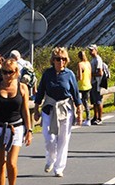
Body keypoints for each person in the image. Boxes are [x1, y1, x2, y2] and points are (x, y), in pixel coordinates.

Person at [33, 47, 82, 177]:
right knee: (49, 139)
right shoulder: (47, 74)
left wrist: (79, 111)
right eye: (58, 59)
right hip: (49, 108)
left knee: (63, 139)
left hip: (65, 109)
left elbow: (76, 94)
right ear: (53, 60)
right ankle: (50, 159)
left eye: (63, 59)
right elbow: (40, 91)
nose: (61, 62)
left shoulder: (69, 74)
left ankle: (59, 168)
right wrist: (36, 109)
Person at [88, 44, 104, 125]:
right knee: (94, 101)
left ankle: (100, 118)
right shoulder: (93, 59)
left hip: (97, 83)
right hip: (93, 83)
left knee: (98, 101)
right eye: (89, 50)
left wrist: (91, 74)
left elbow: (100, 72)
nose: (90, 52)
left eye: (91, 50)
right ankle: (95, 116)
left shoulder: (98, 59)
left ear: (96, 50)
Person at [76, 50, 92, 126]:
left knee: (79, 102)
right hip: (88, 84)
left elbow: (80, 77)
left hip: (81, 86)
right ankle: (88, 117)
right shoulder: (88, 63)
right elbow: (90, 75)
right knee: (86, 102)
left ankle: (80, 118)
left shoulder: (80, 64)